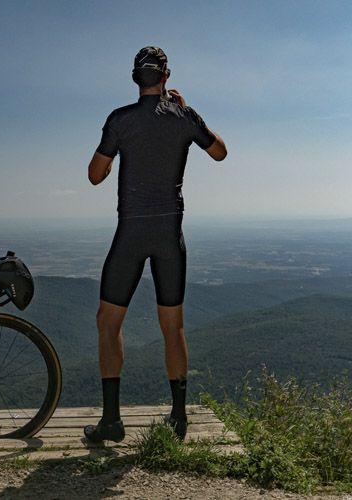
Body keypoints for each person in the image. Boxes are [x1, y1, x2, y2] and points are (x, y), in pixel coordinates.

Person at [84, 46, 227, 443]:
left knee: (108, 322)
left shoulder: (120, 120)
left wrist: (114, 157)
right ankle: (178, 419)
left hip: (130, 234)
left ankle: (111, 422)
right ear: (166, 76)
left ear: (135, 77)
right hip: (169, 235)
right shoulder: (184, 116)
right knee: (172, 326)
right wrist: (185, 109)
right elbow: (219, 152)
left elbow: (95, 175)